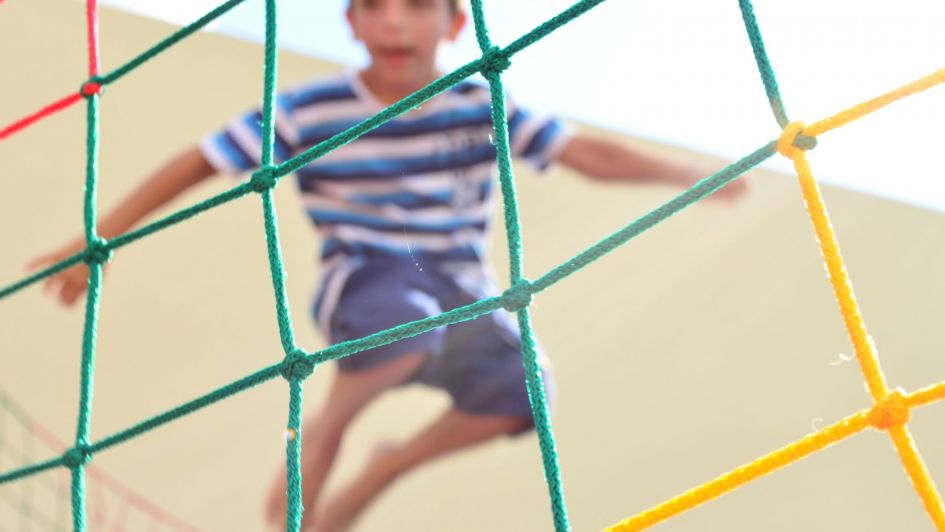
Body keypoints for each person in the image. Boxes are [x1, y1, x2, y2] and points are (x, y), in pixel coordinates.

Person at [29, 0, 747, 529]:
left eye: (417, 6)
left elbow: (582, 151)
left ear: (454, 24)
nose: (395, 22)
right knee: (407, 319)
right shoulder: (310, 109)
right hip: (366, 277)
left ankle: (382, 468)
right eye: (374, 6)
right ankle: (329, 429)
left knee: (529, 388)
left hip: (463, 290)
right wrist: (98, 239)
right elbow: (201, 161)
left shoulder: (479, 101)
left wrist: (688, 176)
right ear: (350, 22)